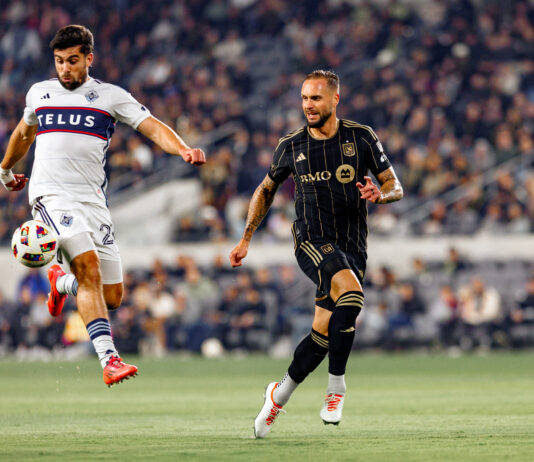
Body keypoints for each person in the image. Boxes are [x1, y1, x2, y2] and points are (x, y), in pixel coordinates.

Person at [0, 25, 205, 386]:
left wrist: (183, 148)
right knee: (89, 267)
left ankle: (61, 283)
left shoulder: (109, 96)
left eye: (73, 61)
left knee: (112, 295)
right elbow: (23, 133)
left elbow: (153, 126)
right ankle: (109, 360)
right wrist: (5, 170)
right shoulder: (40, 93)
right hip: (52, 196)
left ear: (89, 59)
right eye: (59, 61)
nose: (65, 68)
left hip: (93, 202)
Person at [229, 70, 403, 438]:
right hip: (311, 239)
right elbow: (266, 189)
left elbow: (394, 184)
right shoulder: (291, 145)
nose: (308, 105)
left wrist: (380, 195)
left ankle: (278, 394)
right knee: (352, 295)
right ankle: (336, 389)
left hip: (353, 246)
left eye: (316, 99)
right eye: (304, 98)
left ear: (335, 100)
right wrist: (246, 238)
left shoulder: (361, 137)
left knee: (322, 335)